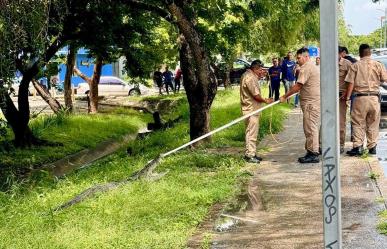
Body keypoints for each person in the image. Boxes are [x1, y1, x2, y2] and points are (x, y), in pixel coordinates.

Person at [279, 47, 321, 163]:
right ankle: (311, 150)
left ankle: (313, 153)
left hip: (310, 104)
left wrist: (285, 96)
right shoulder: (312, 67)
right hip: (312, 103)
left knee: (310, 128)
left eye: (299, 58)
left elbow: (298, 86)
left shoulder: (306, 68)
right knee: (310, 127)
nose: (297, 61)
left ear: (306, 57)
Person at [345, 44, 387, 156]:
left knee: (358, 122)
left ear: (360, 53)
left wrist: (347, 97)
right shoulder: (378, 65)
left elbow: (351, 83)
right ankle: (372, 147)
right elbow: (385, 79)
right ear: (370, 53)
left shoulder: (355, 66)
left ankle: (358, 147)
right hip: (374, 98)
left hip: (360, 98)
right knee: (373, 122)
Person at [240, 60, 273, 163]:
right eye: (260, 70)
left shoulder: (249, 75)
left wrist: (260, 76)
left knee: (252, 132)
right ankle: (250, 155)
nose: (262, 71)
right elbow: (256, 95)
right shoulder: (249, 77)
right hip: (251, 110)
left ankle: (252, 153)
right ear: (255, 68)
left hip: (253, 109)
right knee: (251, 133)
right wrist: (265, 100)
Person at [338, 46, 352, 154]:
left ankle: (340, 145)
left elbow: (352, 81)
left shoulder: (347, 64)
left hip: (341, 98)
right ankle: (322, 144)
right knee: (325, 120)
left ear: (341, 53)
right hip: (328, 97)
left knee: (341, 122)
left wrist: (347, 94)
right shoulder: (326, 63)